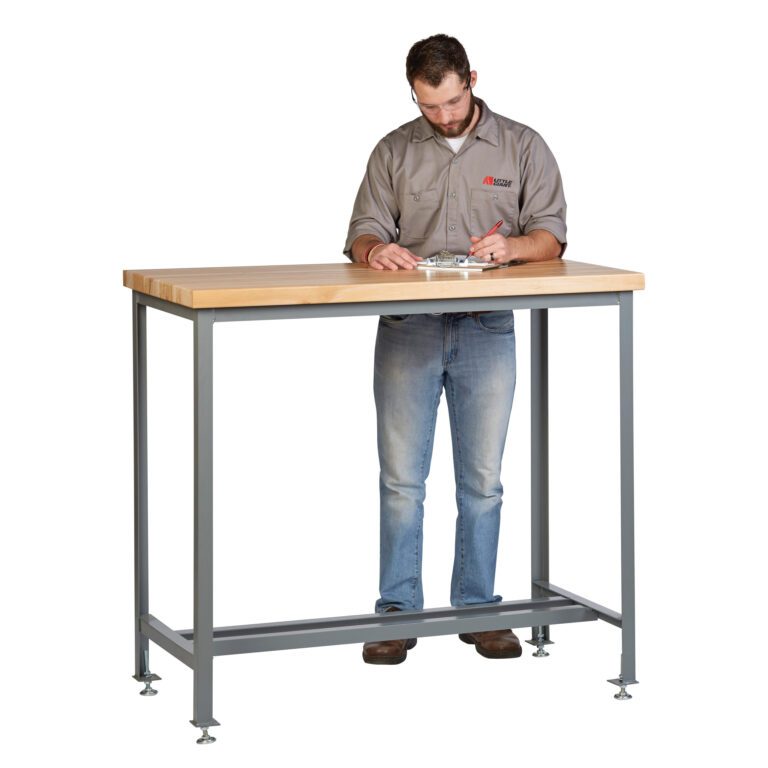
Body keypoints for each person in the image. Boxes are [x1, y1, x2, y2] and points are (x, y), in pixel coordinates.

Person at [344, 33, 567, 665]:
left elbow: (550, 235)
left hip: (486, 327)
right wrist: (373, 250)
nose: (442, 116)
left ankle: (479, 608)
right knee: (400, 482)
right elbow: (363, 228)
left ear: (471, 77)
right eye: (427, 106)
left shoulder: (523, 146)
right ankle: (397, 612)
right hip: (407, 328)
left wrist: (513, 248)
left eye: (450, 101)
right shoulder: (392, 151)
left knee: (483, 481)